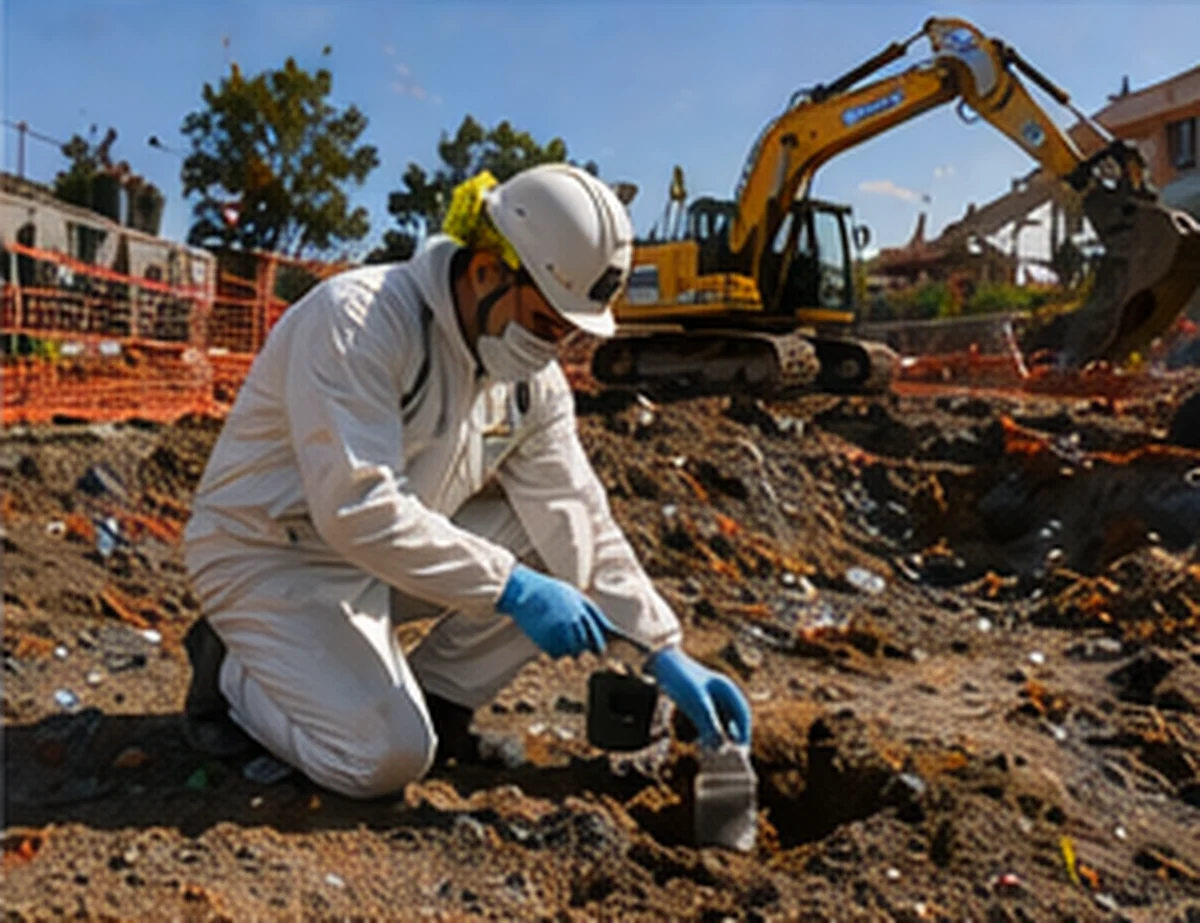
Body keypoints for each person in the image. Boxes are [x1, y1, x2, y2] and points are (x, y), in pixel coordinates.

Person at [180, 163, 751, 799]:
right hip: (271, 558)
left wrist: (662, 648)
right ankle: (233, 673)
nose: (552, 348)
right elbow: (357, 507)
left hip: (376, 560)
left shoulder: (531, 384)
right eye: (544, 323)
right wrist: (511, 587)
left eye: (567, 333)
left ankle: (437, 705)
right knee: (382, 760)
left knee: (561, 547)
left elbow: (577, 512)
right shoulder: (360, 321)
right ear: (485, 271)